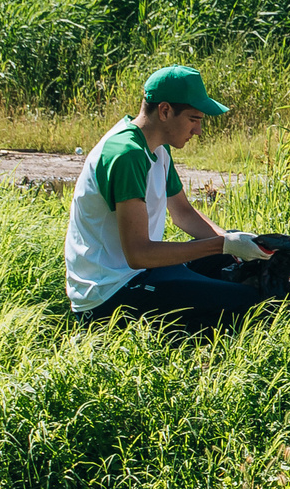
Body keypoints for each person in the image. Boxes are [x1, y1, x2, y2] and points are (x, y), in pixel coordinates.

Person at [64, 65, 278, 329]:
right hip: (109, 294)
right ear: (165, 111)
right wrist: (224, 245)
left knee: (230, 255)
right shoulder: (126, 155)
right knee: (253, 304)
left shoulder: (157, 149)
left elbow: (183, 214)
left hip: (141, 272)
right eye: (193, 119)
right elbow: (138, 253)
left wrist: (233, 245)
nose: (198, 130)